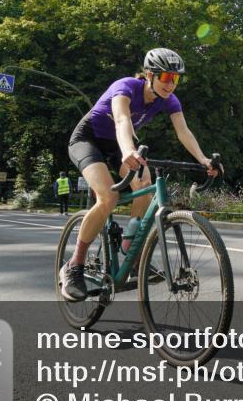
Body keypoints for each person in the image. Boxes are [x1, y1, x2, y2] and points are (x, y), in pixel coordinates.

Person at [60, 48, 220, 302]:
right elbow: (122, 120)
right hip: (88, 140)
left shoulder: (169, 100)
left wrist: (203, 159)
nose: (171, 84)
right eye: (166, 77)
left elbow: (183, 131)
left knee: (144, 182)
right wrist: (128, 151)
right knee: (108, 197)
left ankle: (130, 248)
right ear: (149, 75)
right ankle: (74, 265)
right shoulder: (125, 87)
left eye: (176, 79)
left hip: (119, 145)